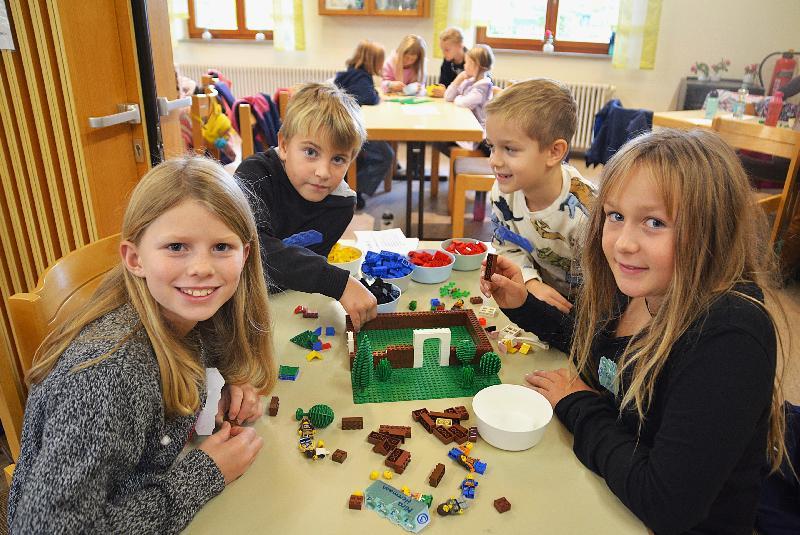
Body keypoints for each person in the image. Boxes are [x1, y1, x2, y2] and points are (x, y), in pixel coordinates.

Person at [481, 128, 789, 534]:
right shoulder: (637, 286)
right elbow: (599, 347)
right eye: (615, 216)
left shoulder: (728, 337)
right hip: (609, 483)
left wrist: (578, 404)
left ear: (713, 229)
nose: (624, 243)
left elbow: (666, 504)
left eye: (655, 222)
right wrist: (524, 305)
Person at [8, 157, 275, 532]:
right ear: (135, 259)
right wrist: (203, 474)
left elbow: (206, 352)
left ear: (244, 255)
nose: (201, 267)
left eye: (221, 247)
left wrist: (225, 382)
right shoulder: (107, 377)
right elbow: (49, 528)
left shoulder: (188, 311)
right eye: (177, 246)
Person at [236, 83, 377, 330]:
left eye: (338, 159)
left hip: (290, 304)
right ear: (284, 145)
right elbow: (253, 249)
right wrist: (337, 282)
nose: (323, 172)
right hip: (237, 300)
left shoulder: (341, 204)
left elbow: (310, 263)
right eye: (311, 152)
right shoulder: (254, 176)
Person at [485, 78, 596, 312]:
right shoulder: (502, 193)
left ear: (554, 152)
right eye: (491, 146)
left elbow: (612, 282)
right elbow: (507, 245)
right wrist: (531, 282)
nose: (494, 161)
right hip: (539, 299)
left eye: (510, 149)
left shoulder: (589, 213)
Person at [333, 39, 395, 209]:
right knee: (386, 155)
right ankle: (354, 189)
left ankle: (350, 185)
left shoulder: (353, 73)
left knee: (382, 151)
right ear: (373, 61)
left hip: (345, 124)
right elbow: (369, 97)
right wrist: (375, 95)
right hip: (348, 130)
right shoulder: (361, 77)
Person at [444, 44, 494, 150]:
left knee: (440, 140)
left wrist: (457, 98)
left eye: (467, 63)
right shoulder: (469, 82)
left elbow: (463, 103)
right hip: (465, 125)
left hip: (477, 136)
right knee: (439, 140)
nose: (464, 66)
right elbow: (448, 97)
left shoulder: (483, 87)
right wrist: (458, 79)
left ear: (475, 65)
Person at [430, 27, 467, 97]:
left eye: (447, 50)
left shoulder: (473, 61)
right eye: (442, 49)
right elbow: (444, 84)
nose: (443, 53)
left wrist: (447, 92)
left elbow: (474, 93)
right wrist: (440, 89)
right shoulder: (447, 62)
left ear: (460, 45)